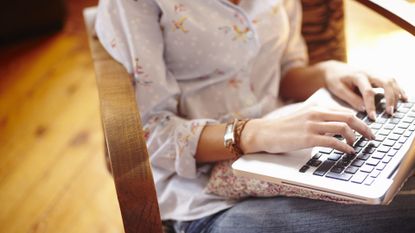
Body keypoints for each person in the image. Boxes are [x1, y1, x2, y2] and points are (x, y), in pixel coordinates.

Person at [95, 0, 415, 232]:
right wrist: (252, 134)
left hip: (291, 153)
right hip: (202, 199)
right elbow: (148, 134)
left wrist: (329, 72)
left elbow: (285, 69)